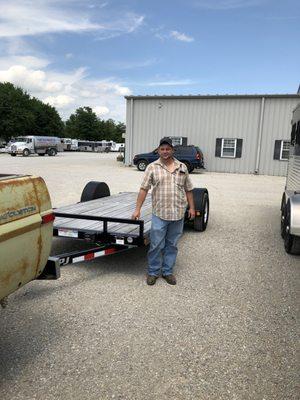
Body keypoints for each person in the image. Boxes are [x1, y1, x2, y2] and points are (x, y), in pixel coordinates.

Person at [132, 138, 195, 285]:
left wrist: (192, 207)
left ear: (172, 150)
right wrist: (137, 209)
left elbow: (189, 189)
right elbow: (144, 189)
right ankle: (153, 272)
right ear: (158, 150)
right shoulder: (152, 167)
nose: (165, 151)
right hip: (160, 214)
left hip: (178, 214)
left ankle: (167, 272)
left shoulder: (182, 167)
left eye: (168, 149)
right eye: (162, 149)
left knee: (172, 244)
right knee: (156, 244)